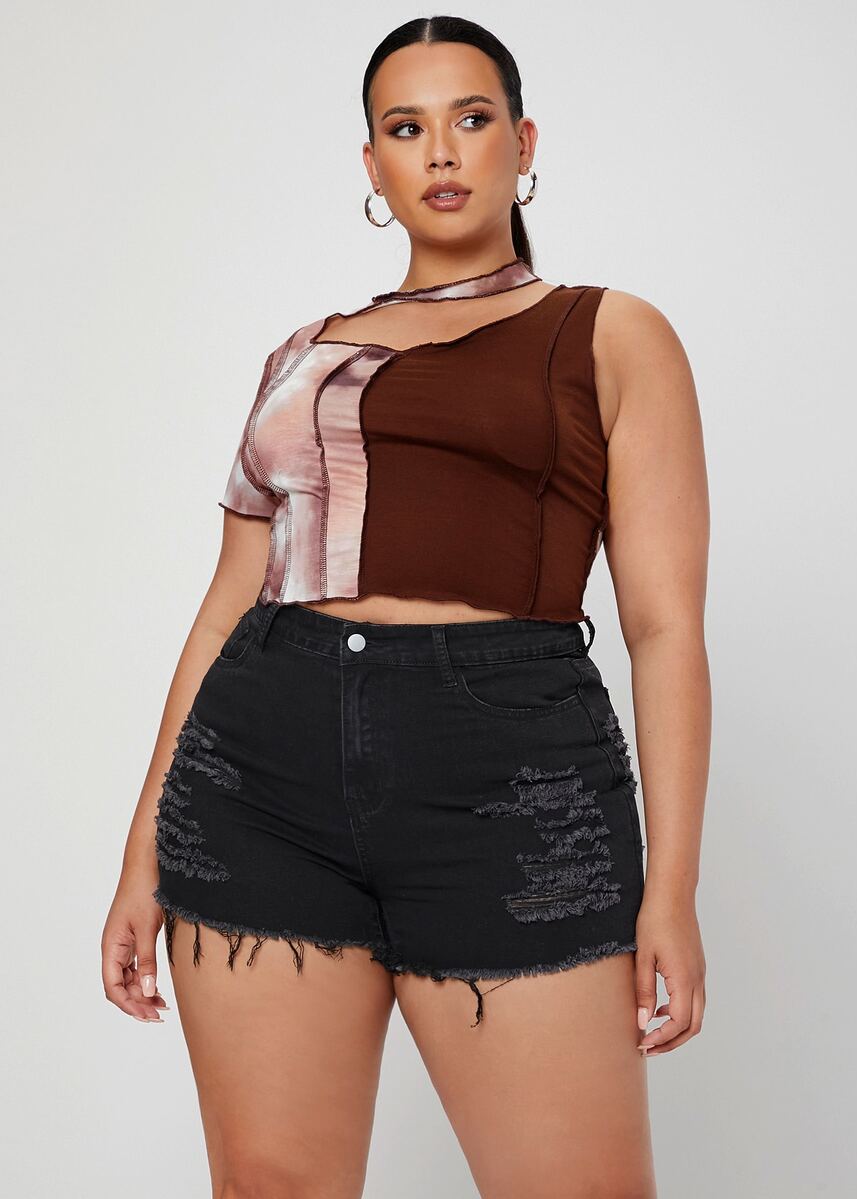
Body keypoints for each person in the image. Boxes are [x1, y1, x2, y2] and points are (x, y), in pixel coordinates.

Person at [102, 15, 709, 1198]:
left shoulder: (608, 331)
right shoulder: (306, 355)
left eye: (472, 118)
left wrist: (672, 890)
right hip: (258, 784)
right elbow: (228, 603)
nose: (441, 150)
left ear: (523, 142)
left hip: (510, 781)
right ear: (372, 164)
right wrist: (141, 854)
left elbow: (663, 627)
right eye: (405, 126)